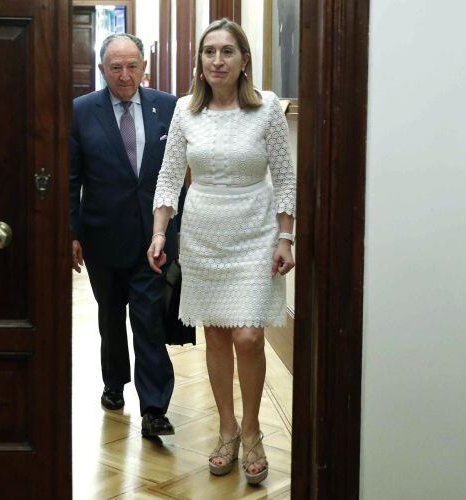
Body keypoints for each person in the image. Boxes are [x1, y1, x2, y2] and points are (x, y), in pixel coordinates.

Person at [148, 19, 296, 485]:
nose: (217, 60)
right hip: (204, 233)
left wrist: (286, 236)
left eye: (227, 51)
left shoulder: (268, 108)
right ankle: (226, 428)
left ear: (244, 59)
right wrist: (158, 233)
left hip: (254, 229)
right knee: (215, 336)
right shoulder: (185, 110)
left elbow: (286, 176)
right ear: (200, 61)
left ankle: (253, 430)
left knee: (249, 337)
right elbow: (170, 175)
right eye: (209, 52)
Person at [69, 33, 180, 437]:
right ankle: (114, 382)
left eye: (132, 65)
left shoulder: (167, 107)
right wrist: (72, 231)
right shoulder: (82, 111)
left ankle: (154, 407)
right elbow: (71, 176)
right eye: (115, 67)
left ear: (144, 66)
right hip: (102, 234)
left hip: (154, 235)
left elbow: (178, 173)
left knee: (148, 317)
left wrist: (171, 231)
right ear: (102, 70)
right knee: (111, 314)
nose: (125, 74)